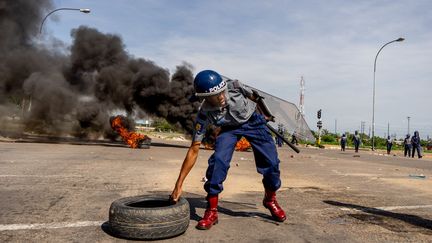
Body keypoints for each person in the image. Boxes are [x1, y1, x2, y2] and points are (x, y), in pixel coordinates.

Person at [170, 70, 286, 230]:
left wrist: (266, 115)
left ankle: (270, 200)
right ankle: (212, 211)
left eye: (222, 91)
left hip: (253, 122)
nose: (222, 96)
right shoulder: (204, 115)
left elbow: (256, 98)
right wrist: (178, 184)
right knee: (218, 161)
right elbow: (193, 149)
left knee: (272, 164)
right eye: (216, 95)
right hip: (229, 129)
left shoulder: (236, 87)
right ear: (204, 98)